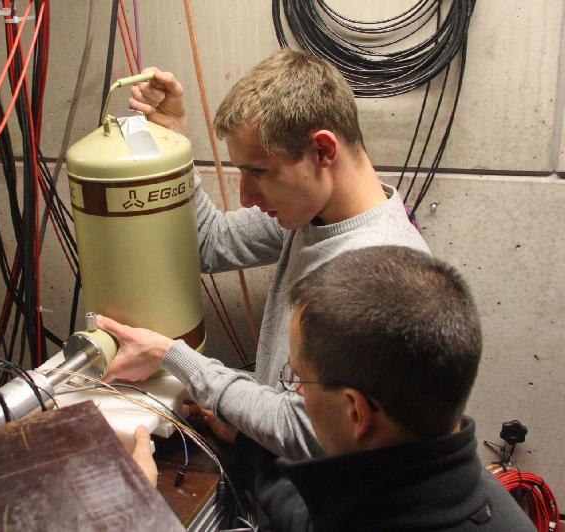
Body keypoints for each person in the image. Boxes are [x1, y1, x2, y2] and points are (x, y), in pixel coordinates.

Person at [99, 49, 430, 459]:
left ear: (323, 151)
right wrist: (175, 138)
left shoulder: (378, 273)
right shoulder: (314, 213)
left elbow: (306, 432)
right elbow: (211, 242)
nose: (247, 197)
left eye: (259, 172)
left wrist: (173, 356)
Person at [131, 247, 535, 531]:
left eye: (298, 378)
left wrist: (136, 516)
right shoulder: (448, 492)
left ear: (356, 412)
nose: (296, 394)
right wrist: (249, 448)